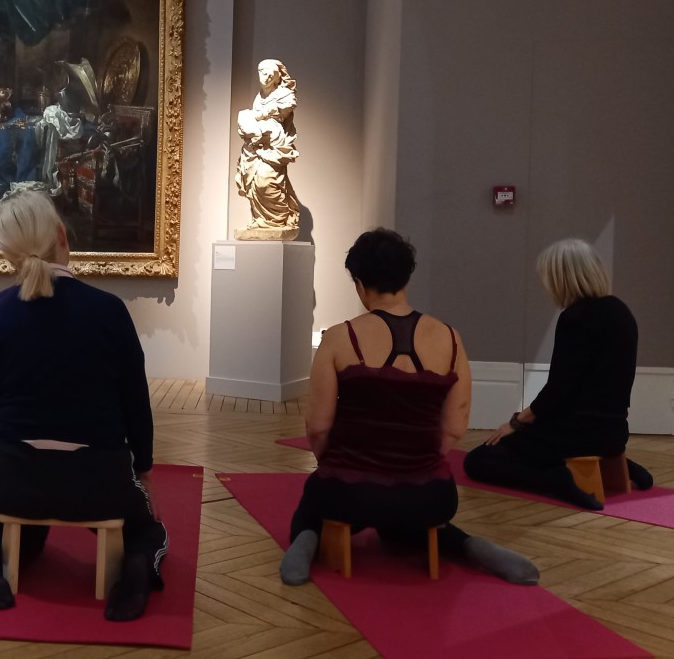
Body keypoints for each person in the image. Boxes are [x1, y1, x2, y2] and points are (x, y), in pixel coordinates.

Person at [281, 229, 538, 586]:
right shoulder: (449, 338)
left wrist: (335, 466)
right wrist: (410, 462)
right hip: (429, 496)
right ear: (406, 277)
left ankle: (305, 540)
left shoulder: (340, 337)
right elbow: (455, 425)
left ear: (359, 283)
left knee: (316, 496)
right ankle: (467, 546)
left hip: (347, 491)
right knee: (406, 520)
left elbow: (318, 426)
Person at [0, 188, 168, 621]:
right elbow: (136, 404)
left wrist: (9, 458)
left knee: (12, 521)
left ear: (8, 254)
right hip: (97, 481)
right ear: (62, 234)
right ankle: (135, 570)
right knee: (149, 530)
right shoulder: (109, 311)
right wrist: (145, 468)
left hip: (13, 477)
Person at [464, 239, 652, 508]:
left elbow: (559, 390)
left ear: (562, 278)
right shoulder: (621, 311)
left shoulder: (576, 318)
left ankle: (554, 480)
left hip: (577, 433)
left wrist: (517, 422)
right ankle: (627, 467)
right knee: (537, 440)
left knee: (479, 460)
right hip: (614, 432)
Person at [235, 59, 301, 233]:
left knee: (267, 180)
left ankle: (278, 218)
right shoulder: (260, 95)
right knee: (254, 183)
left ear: (277, 77)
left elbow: (288, 106)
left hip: (274, 142)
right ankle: (262, 219)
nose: (265, 77)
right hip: (256, 144)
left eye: (270, 74)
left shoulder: (285, 93)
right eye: (262, 72)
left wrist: (260, 115)